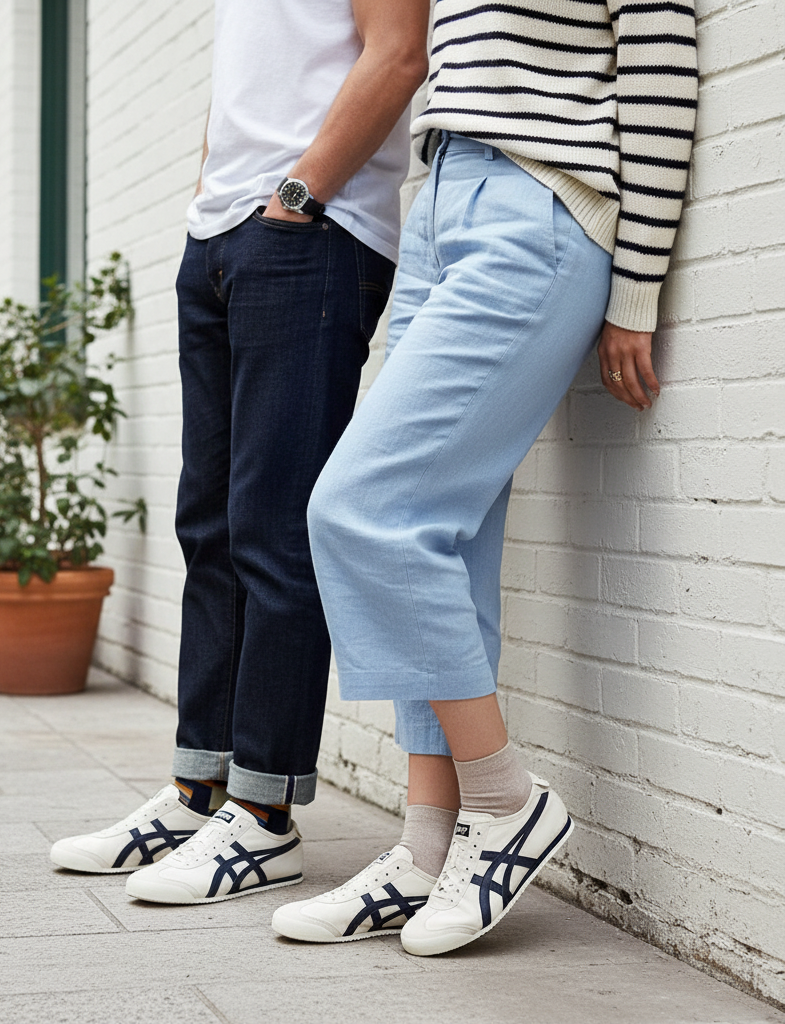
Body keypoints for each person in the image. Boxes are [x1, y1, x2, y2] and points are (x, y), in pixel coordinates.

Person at [272, 0, 698, 952]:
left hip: (540, 204)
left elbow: (663, 69)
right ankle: (428, 846)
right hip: (439, 200)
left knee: (361, 510)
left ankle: (506, 803)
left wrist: (637, 288)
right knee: (439, 541)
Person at [49, 0, 431, 903]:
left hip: (311, 237)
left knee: (274, 529)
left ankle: (264, 814)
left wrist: (296, 198)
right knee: (210, 528)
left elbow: (398, 54)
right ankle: (199, 793)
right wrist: (209, 208)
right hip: (222, 238)